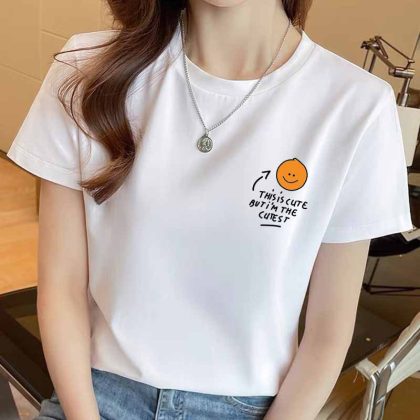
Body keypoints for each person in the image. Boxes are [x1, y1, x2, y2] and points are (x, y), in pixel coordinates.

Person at [6, 0, 413, 419]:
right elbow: (62, 286)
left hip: (247, 408)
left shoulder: (355, 106)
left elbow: (328, 331)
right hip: (94, 397)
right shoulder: (87, 69)